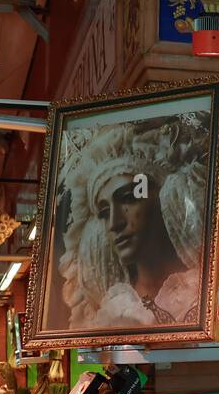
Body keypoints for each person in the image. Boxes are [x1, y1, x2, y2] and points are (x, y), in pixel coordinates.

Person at [54, 116, 210, 332]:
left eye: (128, 198)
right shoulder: (114, 309)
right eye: (104, 212)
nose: (114, 223)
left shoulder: (202, 288)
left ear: (166, 196)